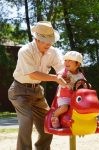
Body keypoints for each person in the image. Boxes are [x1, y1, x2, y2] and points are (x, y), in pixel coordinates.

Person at [8, 21, 67, 150]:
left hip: (37, 91)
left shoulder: (54, 52)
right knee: (26, 121)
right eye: (44, 40)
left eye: (50, 40)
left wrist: (69, 76)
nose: (48, 43)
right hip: (19, 91)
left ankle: (43, 148)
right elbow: (33, 74)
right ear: (36, 39)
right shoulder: (25, 51)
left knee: (48, 121)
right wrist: (55, 78)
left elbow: (62, 69)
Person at [51, 51, 86, 128]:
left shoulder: (80, 74)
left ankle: (87, 120)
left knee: (84, 106)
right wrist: (65, 82)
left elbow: (84, 83)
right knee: (65, 107)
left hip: (75, 97)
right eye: (65, 60)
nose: (66, 62)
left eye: (70, 60)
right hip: (64, 96)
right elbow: (59, 77)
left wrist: (87, 86)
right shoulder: (64, 72)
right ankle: (54, 116)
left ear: (78, 64)